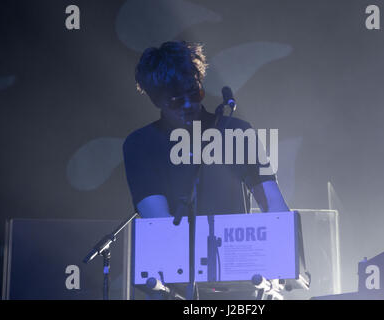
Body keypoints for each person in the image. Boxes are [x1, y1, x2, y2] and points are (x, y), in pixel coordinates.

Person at [123, 41, 289, 220]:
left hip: (235, 247)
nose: (188, 105)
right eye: (176, 101)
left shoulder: (237, 132)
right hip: (177, 247)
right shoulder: (141, 144)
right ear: (156, 101)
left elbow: (275, 206)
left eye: (194, 94)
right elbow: (158, 220)